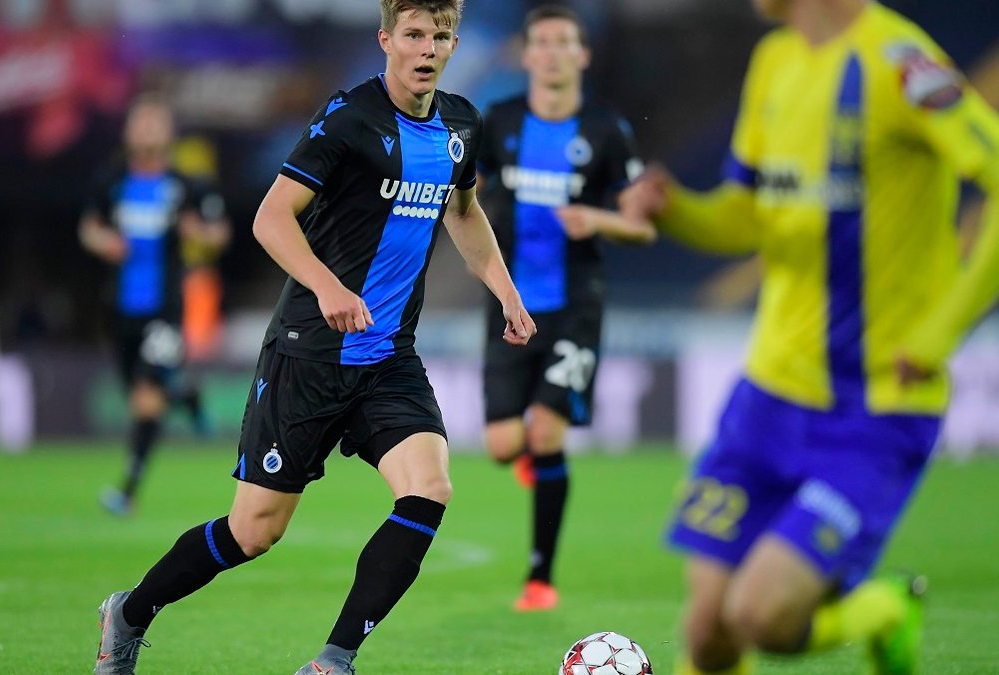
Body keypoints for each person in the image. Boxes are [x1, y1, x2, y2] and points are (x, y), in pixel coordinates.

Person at [93, 1, 536, 673]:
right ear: (386, 39)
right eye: (414, 34)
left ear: (453, 45)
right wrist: (328, 287)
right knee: (253, 532)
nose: (427, 48)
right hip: (309, 352)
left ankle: (334, 660)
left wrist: (506, 291)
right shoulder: (350, 117)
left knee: (429, 486)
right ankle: (129, 613)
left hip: (388, 357)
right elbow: (271, 218)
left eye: (441, 36)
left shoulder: (461, 124)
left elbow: (465, 211)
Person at [619, 1, 999, 673]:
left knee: (762, 615)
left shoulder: (900, 63)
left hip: (874, 409)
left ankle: (883, 609)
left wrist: (942, 331)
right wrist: (676, 210)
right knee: (708, 630)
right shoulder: (776, 60)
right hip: (771, 391)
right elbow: (748, 216)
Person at [476, 5, 656, 612]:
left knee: (546, 432)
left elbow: (641, 228)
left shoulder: (606, 130)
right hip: (508, 301)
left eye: (564, 42)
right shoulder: (499, 122)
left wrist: (598, 219)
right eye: (542, 42)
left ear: (583, 55)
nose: (552, 53)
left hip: (576, 304)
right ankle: (531, 456)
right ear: (526, 55)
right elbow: (463, 198)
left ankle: (539, 579)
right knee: (504, 445)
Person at [80, 95, 230, 516]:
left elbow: (219, 233)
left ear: (169, 133)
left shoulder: (187, 186)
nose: (146, 130)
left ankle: (127, 491)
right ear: (128, 132)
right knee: (142, 396)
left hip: (164, 309)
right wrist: (103, 241)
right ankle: (187, 396)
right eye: (140, 122)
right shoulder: (112, 181)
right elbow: (89, 226)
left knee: (147, 395)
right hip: (119, 309)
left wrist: (198, 233)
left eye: (154, 122)